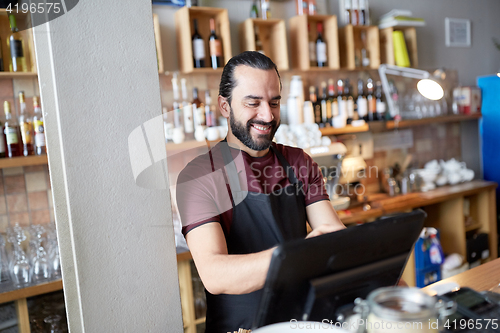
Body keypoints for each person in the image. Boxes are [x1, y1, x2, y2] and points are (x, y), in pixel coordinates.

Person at [176, 51, 345, 333]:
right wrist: (299, 255)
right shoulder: (199, 176)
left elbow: (333, 235)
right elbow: (215, 274)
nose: (267, 115)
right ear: (225, 106)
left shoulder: (298, 162)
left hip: (303, 323)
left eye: (274, 102)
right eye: (253, 103)